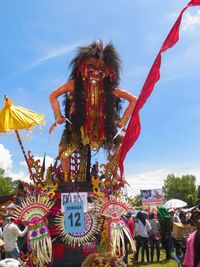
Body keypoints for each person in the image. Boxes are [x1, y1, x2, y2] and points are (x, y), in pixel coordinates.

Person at [49, 40, 137, 182]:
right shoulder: (73, 84)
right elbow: (53, 95)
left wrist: (123, 121)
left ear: (109, 72)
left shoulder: (111, 90)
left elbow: (134, 100)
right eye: (91, 67)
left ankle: (112, 172)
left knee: (120, 145)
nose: (96, 72)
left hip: (102, 128)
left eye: (101, 69)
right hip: (77, 126)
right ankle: (66, 182)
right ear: (81, 67)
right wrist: (58, 116)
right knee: (63, 151)